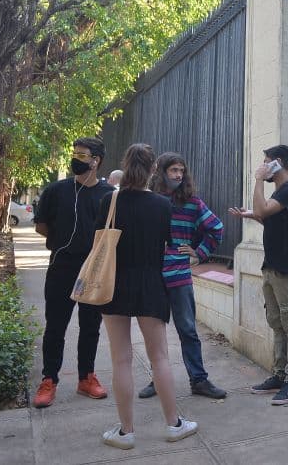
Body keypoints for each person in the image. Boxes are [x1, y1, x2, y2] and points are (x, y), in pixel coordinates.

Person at [97, 143, 198, 449]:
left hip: (113, 284)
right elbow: (166, 243)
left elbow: (98, 241)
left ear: (125, 166)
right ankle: (173, 424)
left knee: (121, 359)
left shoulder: (108, 201)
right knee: (160, 358)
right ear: (153, 169)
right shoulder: (162, 205)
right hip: (152, 284)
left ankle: (126, 432)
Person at [32, 137, 115, 408]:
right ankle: (49, 380)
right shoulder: (56, 191)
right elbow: (41, 226)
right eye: (74, 153)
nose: (75, 159)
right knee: (56, 326)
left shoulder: (107, 196)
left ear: (96, 161)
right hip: (62, 267)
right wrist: (63, 241)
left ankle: (86, 377)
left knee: (91, 327)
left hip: (93, 271)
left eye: (81, 155)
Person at [136, 152, 226, 400]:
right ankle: (158, 379)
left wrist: (199, 253)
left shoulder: (192, 203)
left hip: (179, 275)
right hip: (152, 275)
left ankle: (199, 380)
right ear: (161, 172)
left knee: (187, 329)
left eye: (181, 171)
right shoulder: (149, 200)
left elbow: (216, 228)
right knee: (155, 332)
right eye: (173, 170)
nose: (178, 175)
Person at [229, 145, 288, 406]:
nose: (262, 166)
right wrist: (252, 215)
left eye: (266, 162)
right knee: (276, 323)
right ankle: (279, 374)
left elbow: (263, 209)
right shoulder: (282, 193)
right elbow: (270, 218)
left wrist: (258, 180)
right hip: (272, 266)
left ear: (278, 163)